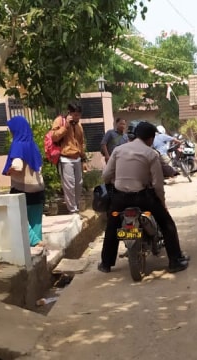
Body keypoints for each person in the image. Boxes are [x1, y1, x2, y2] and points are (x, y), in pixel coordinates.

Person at [99, 121, 189, 274]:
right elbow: (158, 184)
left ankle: (106, 264)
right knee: (167, 223)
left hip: (119, 200)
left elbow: (106, 176)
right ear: (151, 138)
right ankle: (175, 260)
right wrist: (162, 203)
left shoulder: (118, 150)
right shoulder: (151, 153)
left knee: (112, 225)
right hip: (143, 198)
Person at [3, 115, 45, 247]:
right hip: (38, 188)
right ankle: (38, 244)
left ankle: (34, 241)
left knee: (19, 218)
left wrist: (9, 171)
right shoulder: (33, 145)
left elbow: (18, 165)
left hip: (22, 189)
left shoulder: (17, 144)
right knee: (36, 221)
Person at [50, 101, 87, 214]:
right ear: (69, 113)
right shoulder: (59, 121)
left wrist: (83, 159)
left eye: (79, 115)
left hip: (77, 157)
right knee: (69, 185)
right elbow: (54, 137)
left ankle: (75, 206)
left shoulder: (79, 125)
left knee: (78, 184)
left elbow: (81, 143)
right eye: (75, 115)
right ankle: (73, 210)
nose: (77, 117)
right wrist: (66, 126)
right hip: (65, 158)